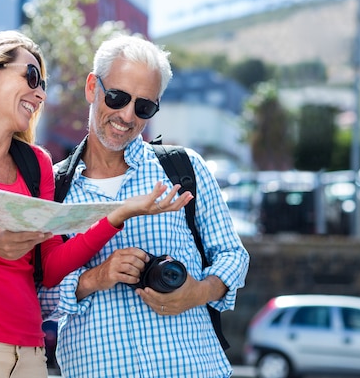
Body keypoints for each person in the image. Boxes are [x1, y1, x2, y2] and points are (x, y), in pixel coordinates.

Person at [0, 30, 193, 378]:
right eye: (31, 76)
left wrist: (118, 214)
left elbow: (51, 268)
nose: (39, 93)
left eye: (42, 84)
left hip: (28, 357)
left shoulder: (37, 165)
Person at [38, 34, 250, 377]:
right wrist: (95, 277)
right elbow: (33, 296)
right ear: (93, 87)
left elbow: (233, 255)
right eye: (117, 97)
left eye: (143, 106)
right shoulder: (51, 189)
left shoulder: (183, 169)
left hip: (194, 368)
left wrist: (198, 292)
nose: (127, 115)